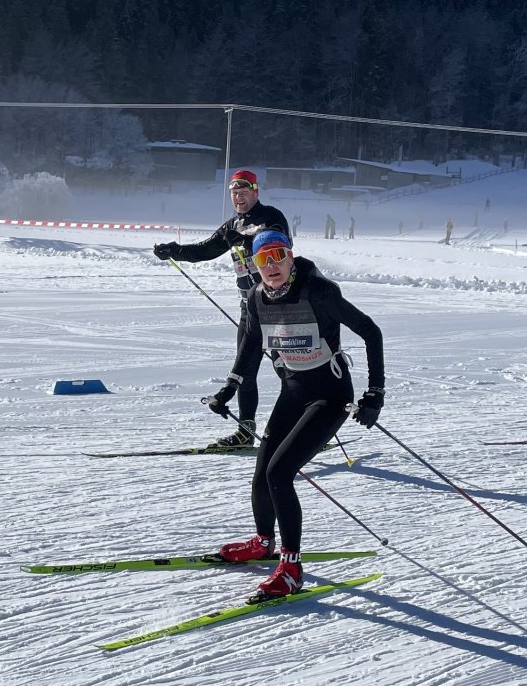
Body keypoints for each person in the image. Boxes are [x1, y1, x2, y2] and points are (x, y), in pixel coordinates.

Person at [205, 230, 385, 598]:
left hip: (330, 397)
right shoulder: (256, 298)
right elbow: (252, 344)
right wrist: (230, 387)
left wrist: (375, 395)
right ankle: (263, 542)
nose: (271, 266)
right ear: (254, 266)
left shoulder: (319, 291)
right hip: (293, 393)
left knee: (280, 472)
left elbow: (371, 331)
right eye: (262, 259)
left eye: (277, 256)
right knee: (262, 473)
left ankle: (291, 567)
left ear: (290, 256)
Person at [153, 169, 290, 448]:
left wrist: (251, 240)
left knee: (286, 367)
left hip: (277, 303)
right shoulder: (231, 227)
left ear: (255, 192)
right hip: (249, 306)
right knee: (245, 368)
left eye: (244, 191)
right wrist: (174, 250)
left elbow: (276, 241)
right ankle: (246, 431)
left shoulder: (271, 217)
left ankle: (304, 425)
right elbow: (205, 249)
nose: (239, 197)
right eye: (234, 193)